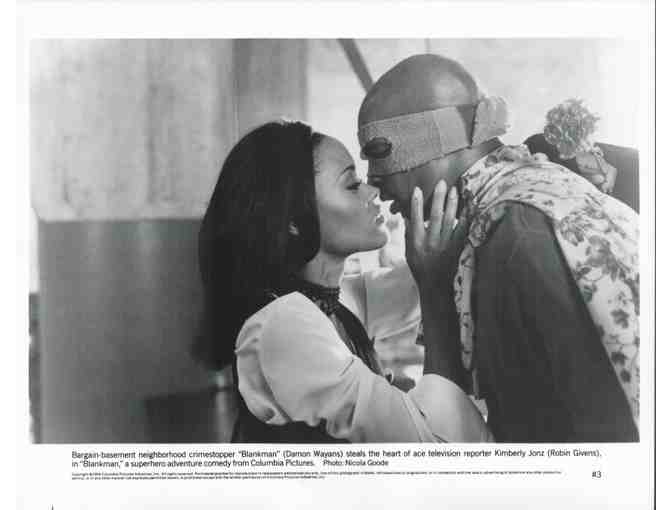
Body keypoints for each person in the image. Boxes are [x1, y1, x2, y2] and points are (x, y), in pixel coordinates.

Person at [358, 54, 639, 442]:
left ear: (434, 141)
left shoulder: (514, 234)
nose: (373, 181)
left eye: (378, 151)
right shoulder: (523, 197)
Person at [195, 119, 491, 443]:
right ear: (293, 220)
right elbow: (424, 447)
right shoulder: (284, 325)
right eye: (352, 185)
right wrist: (435, 292)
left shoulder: (332, 301)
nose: (373, 192)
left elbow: (428, 275)